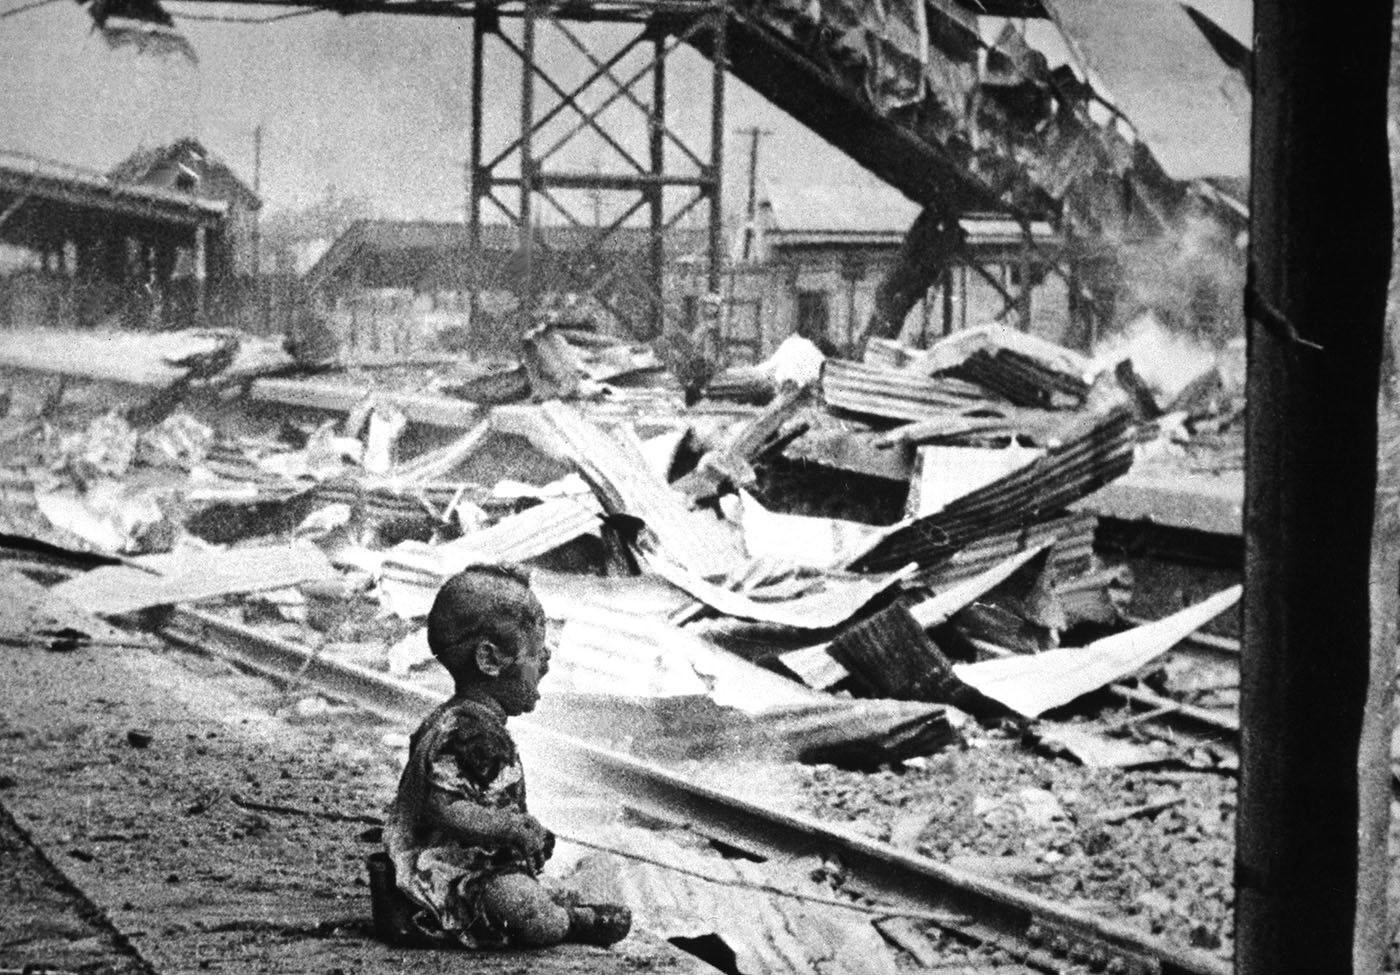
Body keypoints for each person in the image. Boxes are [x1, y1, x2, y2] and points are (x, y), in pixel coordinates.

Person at [380, 564, 632, 949]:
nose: (547, 660)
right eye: (535, 651)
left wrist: (521, 833)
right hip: (442, 871)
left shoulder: (470, 724)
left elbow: (484, 798)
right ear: (490, 660)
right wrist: (509, 829)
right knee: (529, 914)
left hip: (466, 862)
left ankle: (555, 909)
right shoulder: (467, 733)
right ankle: (570, 921)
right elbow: (444, 806)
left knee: (525, 891)